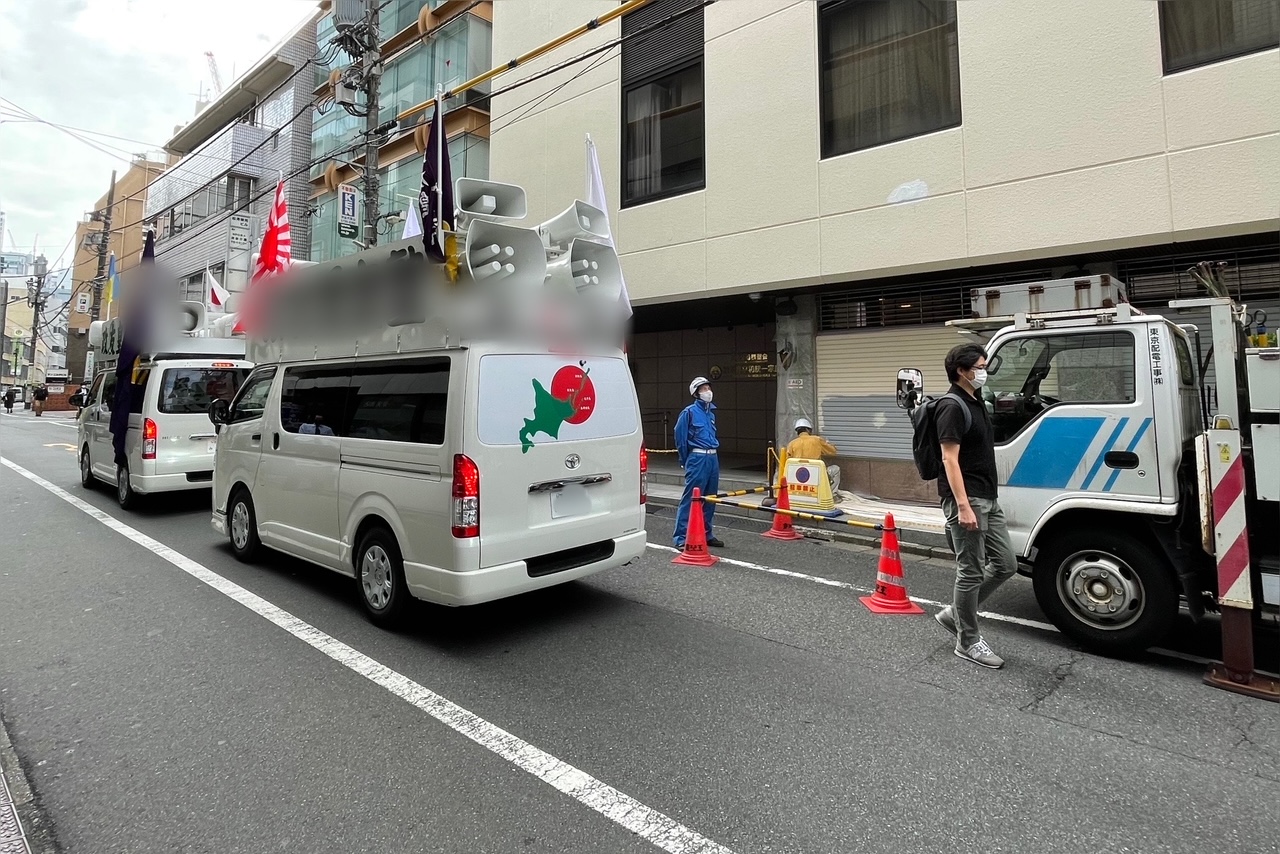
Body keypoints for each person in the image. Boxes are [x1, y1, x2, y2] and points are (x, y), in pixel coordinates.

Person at [932, 344, 1017, 669]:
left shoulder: (976, 401)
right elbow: (949, 460)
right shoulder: (952, 407)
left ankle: (956, 613)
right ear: (962, 371)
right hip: (967, 499)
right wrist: (964, 506)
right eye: (980, 366)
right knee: (970, 571)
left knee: (1006, 563)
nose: (985, 371)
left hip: (987, 498)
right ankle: (967, 641)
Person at [673, 376, 723, 549]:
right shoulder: (689, 412)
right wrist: (685, 460)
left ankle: (707, 533)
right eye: (703, 389)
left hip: (712, 457)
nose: (708, 391)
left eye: (708, 387)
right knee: (691, 497)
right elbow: (680, 438)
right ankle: (681, 537)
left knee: (710, 497)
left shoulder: (711, 413)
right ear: (696, 393)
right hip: (698, 457)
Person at [785, 418, 842, 494]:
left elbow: (788, 462)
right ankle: (831, 494)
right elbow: (833, 451)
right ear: (808, 430)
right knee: (836, 469)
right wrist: (827, 443)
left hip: (799, 476)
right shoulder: (817, 440)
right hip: (816, 474)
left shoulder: (791, 444)